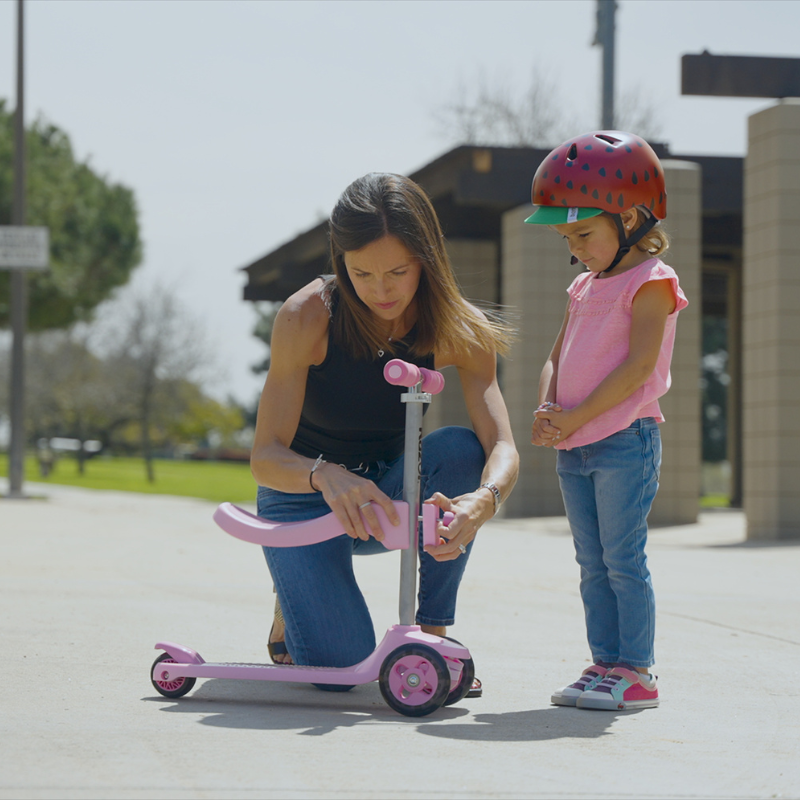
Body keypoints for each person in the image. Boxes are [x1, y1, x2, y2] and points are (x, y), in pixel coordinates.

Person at [249, 172, 519, 692]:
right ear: (340, 261)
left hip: (390, 495)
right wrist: (325, 475)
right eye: (361, 273)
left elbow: (501, 445)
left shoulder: (459, 328)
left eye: (397, 271)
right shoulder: (306, 317)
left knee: (461, 449)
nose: (380, 290)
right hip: (302, 497)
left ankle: (434, 642)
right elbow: (264, 456)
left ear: (427, 259)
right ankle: (292, 591)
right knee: (339, 675)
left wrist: (484, 500)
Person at [526, 131, 688, 710]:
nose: (576, 249)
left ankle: (636, 671)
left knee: (623, 559)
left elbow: (639, 369)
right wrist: (550, 411)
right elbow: (556, 356)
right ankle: (604, 663)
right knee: (591, 563)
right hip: (577, 444)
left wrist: (575, 418)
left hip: (624, 440)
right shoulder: (581, 286)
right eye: (568, 238)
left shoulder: (652, 283)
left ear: (634, 217)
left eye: (584, 234)